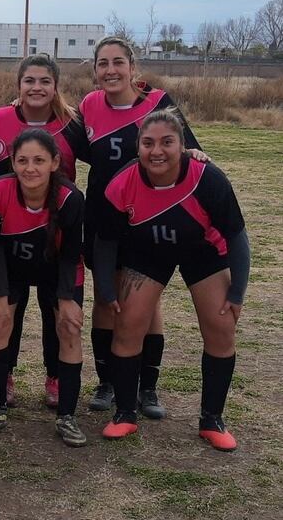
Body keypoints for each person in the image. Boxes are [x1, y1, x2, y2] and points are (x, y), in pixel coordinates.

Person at [95, 109, 249, 451]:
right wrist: (107, 289)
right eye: (148, 143)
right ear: (138, 147)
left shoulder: (207, 178)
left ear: (183, 145)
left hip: (203, 251)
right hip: (147, 253)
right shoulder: (122, 183)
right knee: (128, 324)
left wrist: (237, 292)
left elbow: (237, 237)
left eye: (167, 142)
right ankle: (124, 414)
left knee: (221, 325)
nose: (157, 151)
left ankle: (212, 419)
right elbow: (105, 242)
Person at [76, 37, 206, 417]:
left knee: (145, 301)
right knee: (105, 296)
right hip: (102, 215)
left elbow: (187, 149)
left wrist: (198, 156)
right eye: (103, 63)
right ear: (95, 70)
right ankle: (107, 382)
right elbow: (69, 138)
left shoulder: (159, 103)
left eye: (118, 62)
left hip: (148, 217)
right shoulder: (89, 105)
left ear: (134, 67)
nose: (111, 70)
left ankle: (147, 388)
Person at [0, 54, 84, 409]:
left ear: (56, 86)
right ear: (18, 86)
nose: (36, 88)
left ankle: (55, 375)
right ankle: (5, 373)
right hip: (8, 227)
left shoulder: (72, 123)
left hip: (56, 227)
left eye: (44, 81)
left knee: (55, 308)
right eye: (29, 81)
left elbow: (105, 156)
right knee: (8, 308)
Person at [0, 129, 87, 447]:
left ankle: (67, 415)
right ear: (12, 162)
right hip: (13, 267)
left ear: (55, 162)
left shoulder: (70, 198)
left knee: (69, 327)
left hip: (57, 270)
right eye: (23, 160)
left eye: (39, 160)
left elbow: (70, 255)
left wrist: (67, 298)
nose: (30, 168)